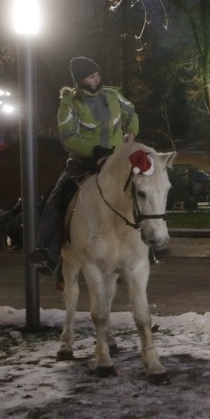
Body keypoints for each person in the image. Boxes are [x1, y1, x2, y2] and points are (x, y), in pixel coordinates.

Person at [30, 57, 138, 275]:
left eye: (97, 74)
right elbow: (69, 138)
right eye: (91, 76)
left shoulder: (113, 95)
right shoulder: (69, 104)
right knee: (57, 196)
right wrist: (94, 150)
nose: (97, 79)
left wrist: (132, 131)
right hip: (84, 162)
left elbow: (131, 113)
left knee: (144, 188)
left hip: (116, 160)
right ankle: (47, 251)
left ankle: (150, 244)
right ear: (80, 80)